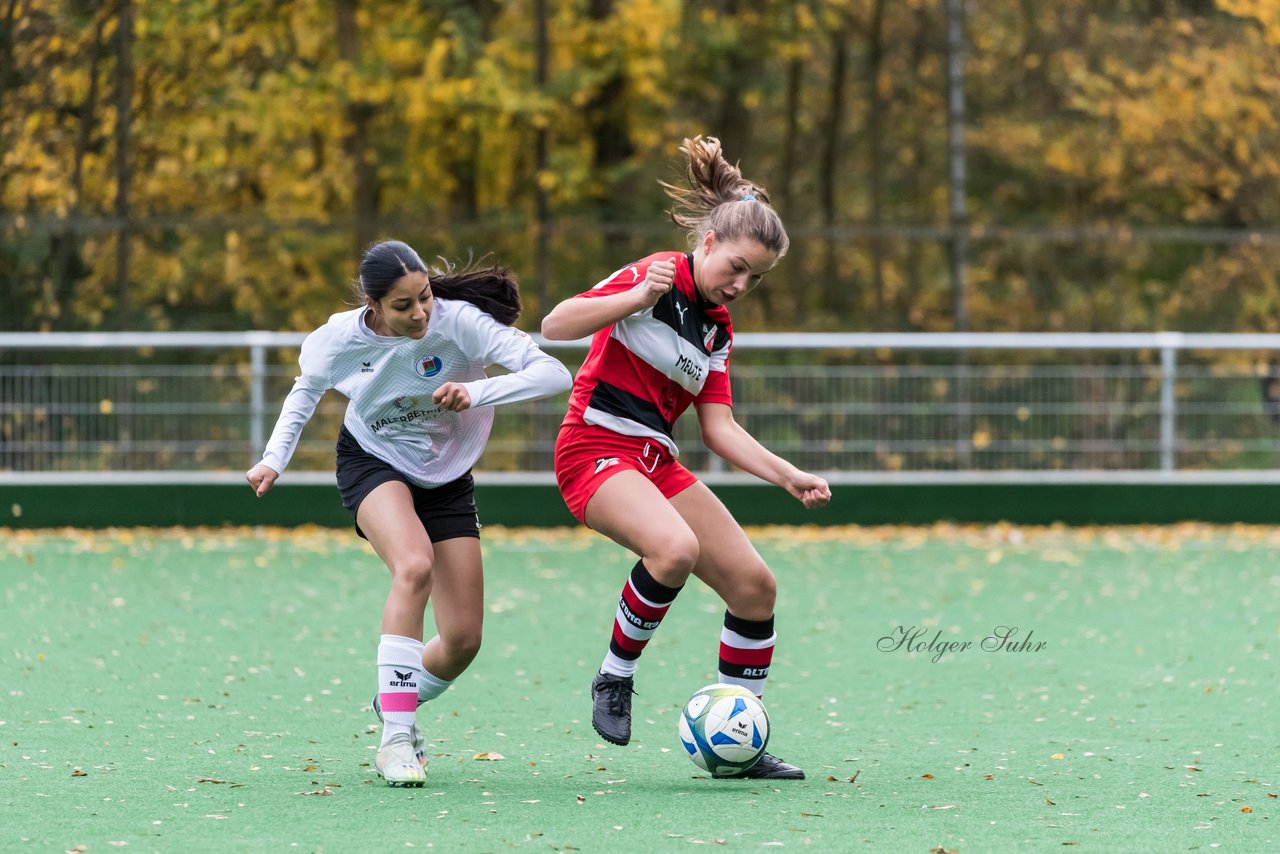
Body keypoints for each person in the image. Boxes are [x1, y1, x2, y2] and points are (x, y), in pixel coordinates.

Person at [540, 136, 832, 780]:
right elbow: (557, 325)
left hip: (655, 460)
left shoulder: (719, 329)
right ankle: (615, 677)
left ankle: (741, 742)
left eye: (755, 276)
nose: (742, 283)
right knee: (674, 549)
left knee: (756, 587)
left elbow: (720, 429)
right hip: (593, 446)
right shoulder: (656, 273)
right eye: (735, 266)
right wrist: (637, 298)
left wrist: (790, 476)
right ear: (705, 244)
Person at [245, 240, 571, 787]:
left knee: (463, 640)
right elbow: (305, 393)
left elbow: (553, 375)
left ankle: (393, 695)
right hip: (373, 459)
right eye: (402, 306)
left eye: (423, 297)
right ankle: (397, 738)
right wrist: (273, 459)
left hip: (447, 477)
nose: (420, 313)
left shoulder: (460, 322)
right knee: (413, 566)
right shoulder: (337, 339)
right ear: (372, 304)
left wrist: (477, 389)